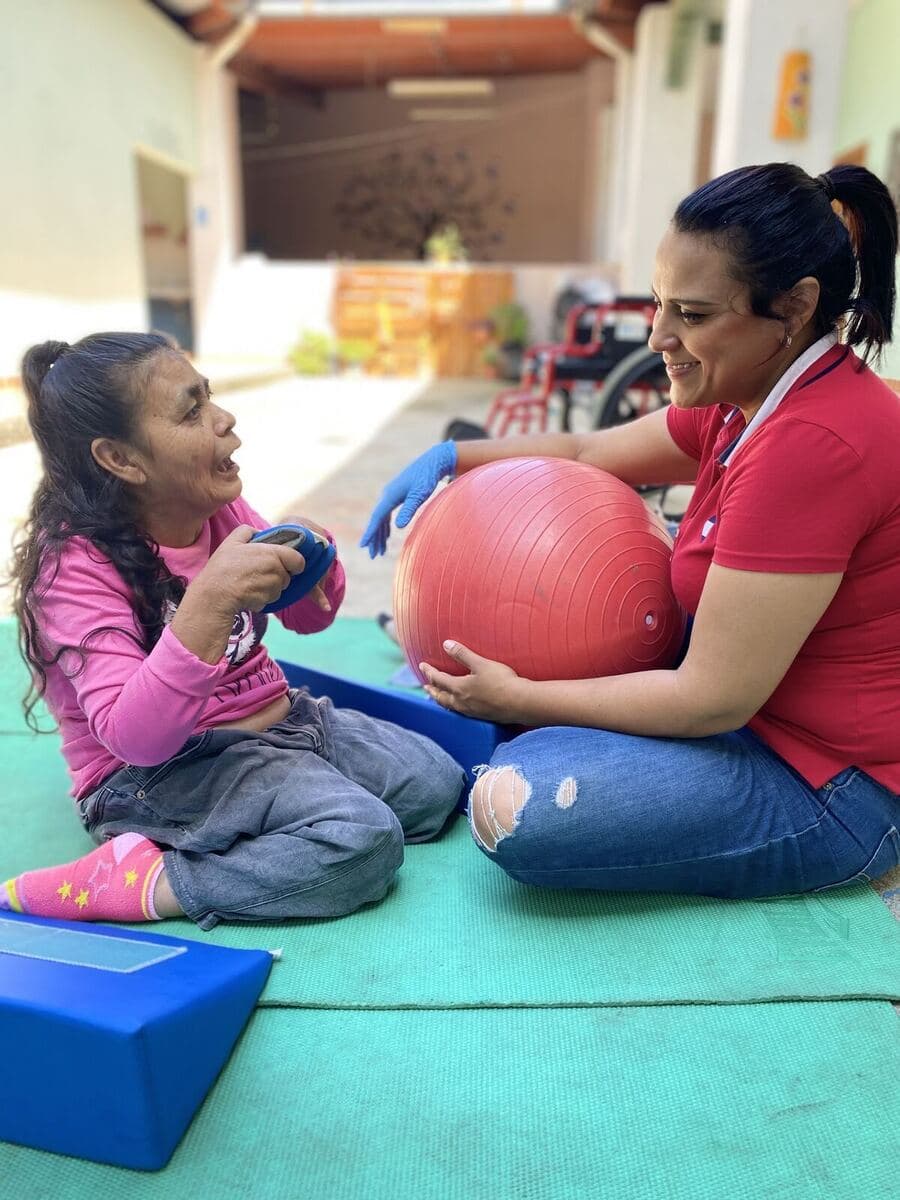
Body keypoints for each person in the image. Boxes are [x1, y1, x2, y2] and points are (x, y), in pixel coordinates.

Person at [361, 162, 900, 900]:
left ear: (795, 307)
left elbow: (712, 699)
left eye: (694, 314)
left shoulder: (813, 443)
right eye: (658, 304)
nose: (659, 336)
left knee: (512, 808)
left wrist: (523, 698)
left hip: (827, 787)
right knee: (515, 688)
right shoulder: (742, 395)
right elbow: (591, 453)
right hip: (742, 716)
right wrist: (456, 456)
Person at [1, 333, 463, 929]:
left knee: (435, 784)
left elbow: (305, 616)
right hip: (159, 772)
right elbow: (134, 739)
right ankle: (145, 883)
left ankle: (276, 814)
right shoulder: (72, 566)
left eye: (209, 397)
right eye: (191, 410)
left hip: (282, 721)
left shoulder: (216, 509)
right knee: (363, 844)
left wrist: (313, 564)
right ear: (122, 459)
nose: (224, 419)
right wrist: (209, 602)